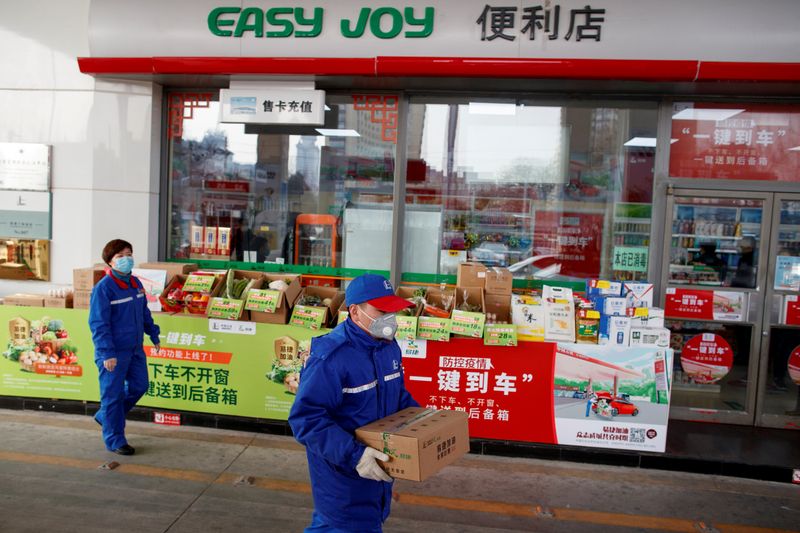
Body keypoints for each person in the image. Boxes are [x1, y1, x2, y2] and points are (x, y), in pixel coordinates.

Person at [288, 274, 419, 532]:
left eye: (392, 311)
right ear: (355, 311)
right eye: (381, 311)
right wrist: (356, 456)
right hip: (343, 476)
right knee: (345, 525)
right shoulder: (332, 357)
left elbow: (399, 397)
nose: (389, 319)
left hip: (378, 470)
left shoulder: (388, 348)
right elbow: (305, 419)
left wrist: (423, 419)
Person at [88, 239, 161, 455]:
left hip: (135, 348)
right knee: (112, 396)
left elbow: (144, 312)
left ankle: (105, 417)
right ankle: (115, 440)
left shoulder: (135, 283)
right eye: (120, 256)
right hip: (113, 352)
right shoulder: (103, 289)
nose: (126, 259)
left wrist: (153, 334)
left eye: (128, 254)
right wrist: (106, 353)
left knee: (140, 386)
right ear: (110, 262)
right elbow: (98, 323)